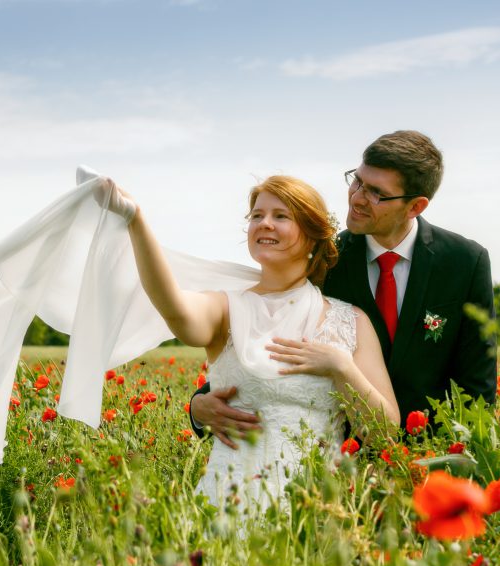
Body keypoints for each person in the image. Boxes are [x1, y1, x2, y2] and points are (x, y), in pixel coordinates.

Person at [103, 174, 399, 510]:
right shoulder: (225, 308)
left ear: (314, 237)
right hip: (228, 501)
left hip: (315, 510)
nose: (264, 224)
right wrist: (136, 220)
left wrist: (341, 367)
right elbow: (172, 305)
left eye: (280, 216)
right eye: (257, 216)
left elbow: (385, 433)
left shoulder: (352, 321)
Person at [190, 131, 496, 448]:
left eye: (376, 193)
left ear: (415, 206)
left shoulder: (465, 262)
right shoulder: (327, 259)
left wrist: (456, 465)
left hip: (433, 458)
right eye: (357, 181)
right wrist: (199, 405)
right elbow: (268, 331)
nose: (357, 197)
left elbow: (477, 385)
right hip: (343, 463)